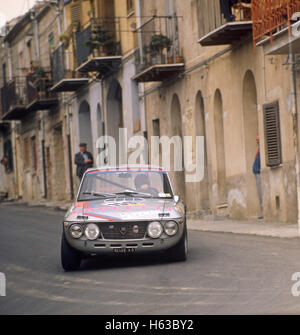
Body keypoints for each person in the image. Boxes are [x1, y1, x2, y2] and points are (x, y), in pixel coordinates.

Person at [252, 135, 263, 220]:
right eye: (256, 140)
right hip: (257, 174)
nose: (257, 141)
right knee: (259, 194)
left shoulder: (262, 149)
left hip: (260, 174)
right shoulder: (259, 149)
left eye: (258, 139)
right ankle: (262, 211)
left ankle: (263, 212)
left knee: (261, 194)